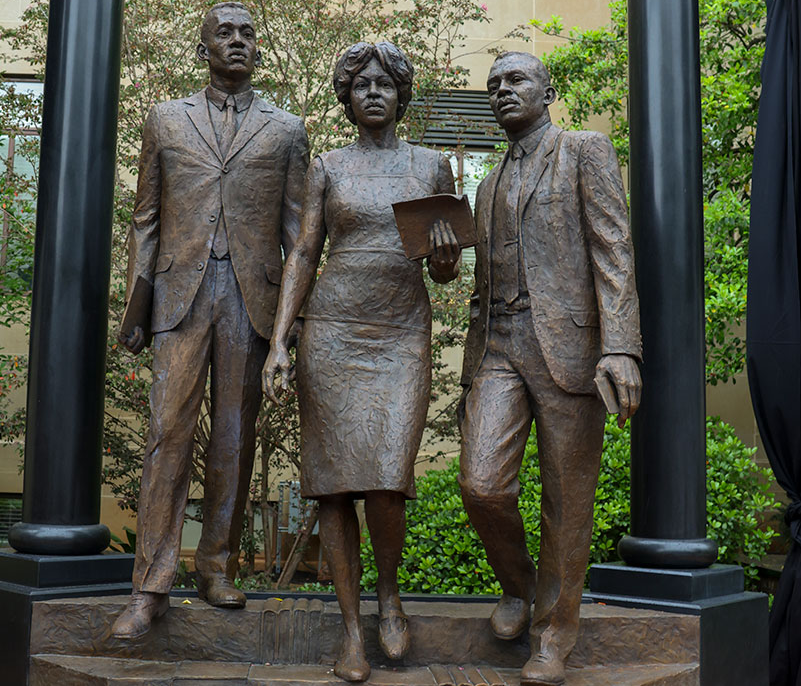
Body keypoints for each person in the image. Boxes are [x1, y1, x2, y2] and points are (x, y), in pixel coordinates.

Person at [262, 41, 460, 682]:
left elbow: (445, 269)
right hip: (333, 331)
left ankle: (390, 595)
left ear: (401, 94)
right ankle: (351, 630)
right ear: (347, 99)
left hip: (401, 333)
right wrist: (278, 343)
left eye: (385, 83)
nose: (373, 91)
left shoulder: (432, 166)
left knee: (387, 477)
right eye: (361, 84)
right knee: (334, 484)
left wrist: (450, 253)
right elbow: (304, 253)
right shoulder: (328, 167)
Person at [112, 2, 309, 639]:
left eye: (248, 33)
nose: (237, 42)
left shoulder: (286, 129)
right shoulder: (166, 119)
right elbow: (146, 217)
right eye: (224, 33)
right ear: (203, 48)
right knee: (167, 433)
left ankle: (217, 566)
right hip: (179, 296)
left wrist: (288, 327)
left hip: (250, 300)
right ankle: (149, 586)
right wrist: (136, 304)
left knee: (234, 436)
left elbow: (299, 237)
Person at [457, 51, 642, 686]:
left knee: (568, 499)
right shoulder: (485, 185)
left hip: (570, 348)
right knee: (481, 484)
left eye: (515, 80)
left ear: (547, 89)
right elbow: (480, 287)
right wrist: (468, 370)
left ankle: (554, 633)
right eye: (493, 85)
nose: (502, 91)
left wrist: (621, 347)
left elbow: (613, 249)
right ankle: (521, 587)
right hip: (500, 349)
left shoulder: (583, 150)